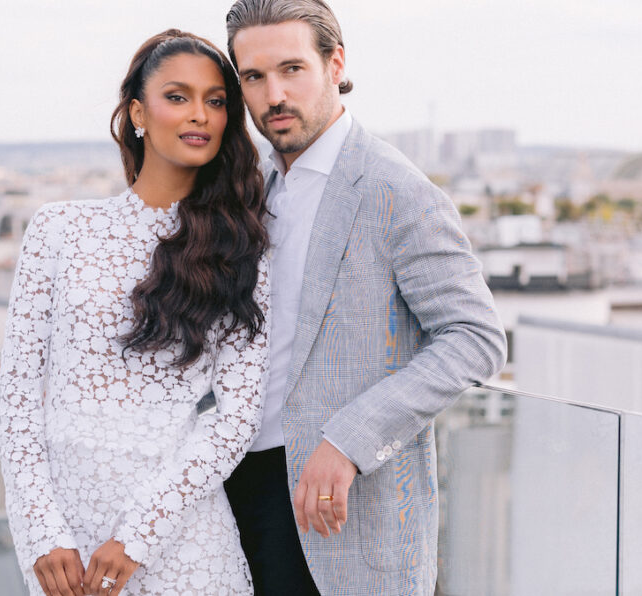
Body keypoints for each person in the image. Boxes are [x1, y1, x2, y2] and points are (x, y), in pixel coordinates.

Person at [221, 1, 509, 594]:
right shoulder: (259, 187)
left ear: (336, 64)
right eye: (253, 76)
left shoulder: (394, 188)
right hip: (237, 495)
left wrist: (348, 440)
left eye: (291, 69)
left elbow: (476, 339)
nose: (273, 94)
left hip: (340, 508)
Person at [0, 29, 269, 596]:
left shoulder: (242, 247)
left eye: (216, 101)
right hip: (64, 543)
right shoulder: (58, 230)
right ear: (138, 112)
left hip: (183, 542)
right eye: (178, 96)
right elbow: (18, 397)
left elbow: (234, 420)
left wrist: (139, 537)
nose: (199, 114)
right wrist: (42, 532)